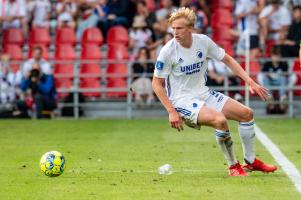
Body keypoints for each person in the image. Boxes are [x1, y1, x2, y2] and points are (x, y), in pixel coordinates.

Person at [152, 7, 278, 177]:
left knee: (246, 113)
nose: (175, 32)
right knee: (220, 120)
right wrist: (171, 111)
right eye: (173, 28)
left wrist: (250, 81)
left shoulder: (203, 42)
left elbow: (227, 59)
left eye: (179, 28)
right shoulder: (168, 51)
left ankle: (250, 161)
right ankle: (233, 166)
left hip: (203, 93)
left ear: (190, 28)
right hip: (181, 101)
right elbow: (156, 84)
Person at [258, 46, 289, 113]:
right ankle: (269, 97)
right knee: (265, 79)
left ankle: (282, 97)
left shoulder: (283, 64)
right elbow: (263, 73)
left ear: (280, 56)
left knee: (283, 78)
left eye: (277, 56)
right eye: (274, 56)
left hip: (280, 82)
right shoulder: (267, 63)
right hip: (270, 82)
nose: (276, 58)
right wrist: (268, 74)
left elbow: (286, 75)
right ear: (271, 56)